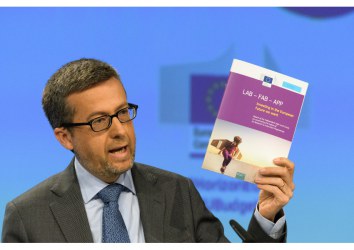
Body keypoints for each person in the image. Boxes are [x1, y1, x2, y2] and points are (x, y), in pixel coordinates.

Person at [1, 58, 295, 243]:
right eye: (99, 121)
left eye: (123, 112)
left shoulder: (178, 192)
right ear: (65, 137)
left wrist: (265, 217)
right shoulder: (28, 216)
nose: (120, 130)